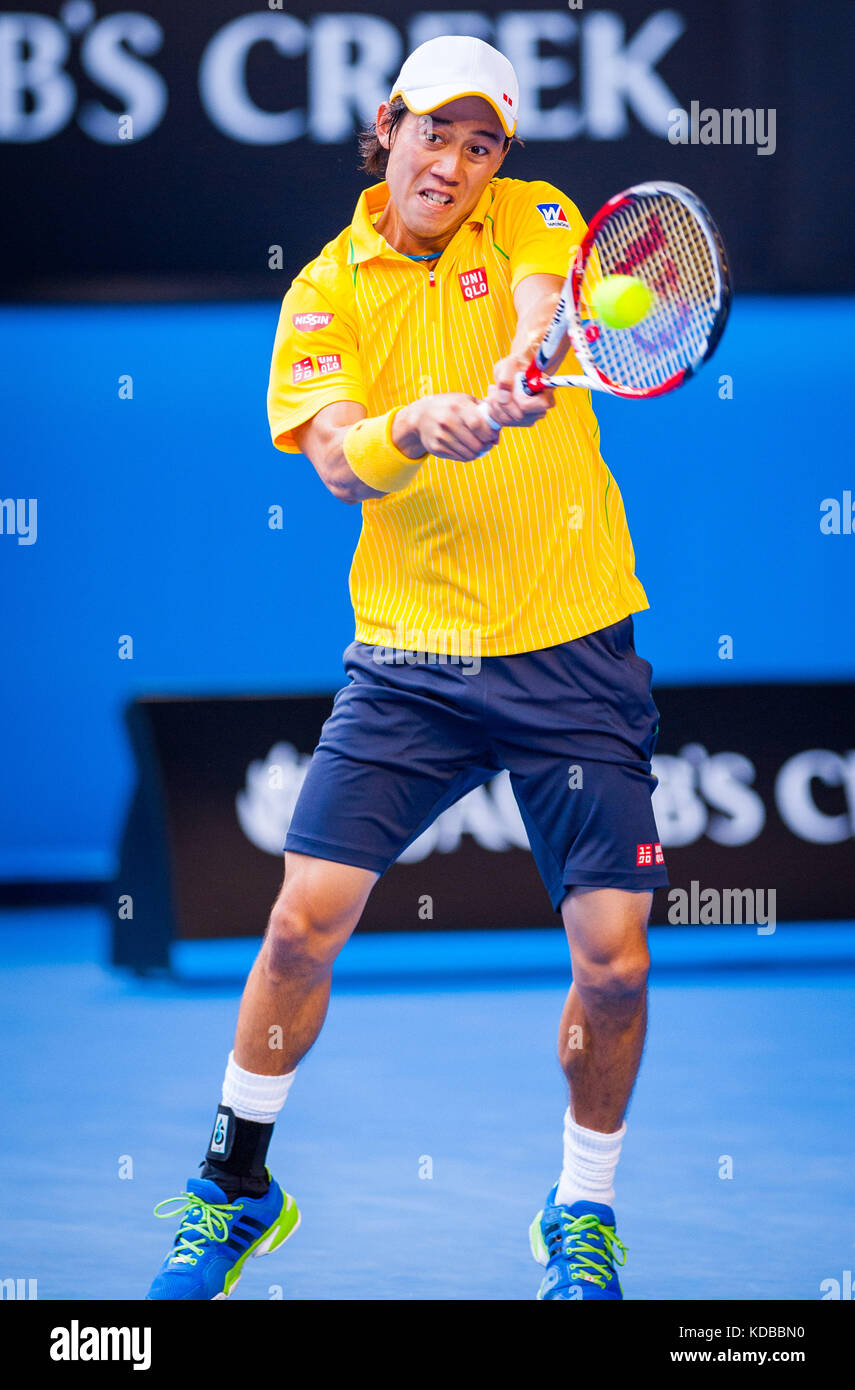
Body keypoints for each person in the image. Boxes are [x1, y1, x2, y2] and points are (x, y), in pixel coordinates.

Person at [147, 34, 668, 1303]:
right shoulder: (323, 292)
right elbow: (333, 457)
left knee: (615, 962)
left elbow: (549, 291)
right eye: (437, 132)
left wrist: (520, 357)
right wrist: (412, 427)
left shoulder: (532, 218)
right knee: (298, 922)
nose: (456, 161)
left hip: (575, 642)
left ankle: (582, 1212)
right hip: (413, 659)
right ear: (388, 127)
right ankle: (237, 1183)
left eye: (482, 140)